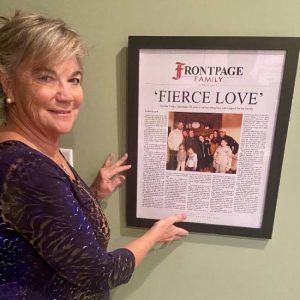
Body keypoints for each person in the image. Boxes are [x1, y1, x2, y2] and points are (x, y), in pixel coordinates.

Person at [0, 11, 188, 300]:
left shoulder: (38, 151)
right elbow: (101, 273)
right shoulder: (25, 168)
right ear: (8, 83)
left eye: (74, 79)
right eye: (45, 77)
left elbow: (48, 231)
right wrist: (154, 235)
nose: (66, 95)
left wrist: (93, 193)